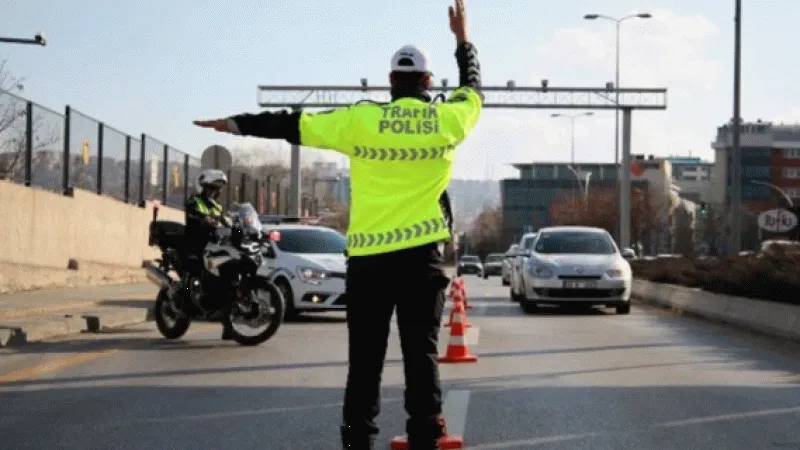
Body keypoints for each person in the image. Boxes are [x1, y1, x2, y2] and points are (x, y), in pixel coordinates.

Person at [193, 1, 481, 447]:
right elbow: (473, 89)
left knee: (365, 360)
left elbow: (292, 124)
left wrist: (236, 124)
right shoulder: (447, 119)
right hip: (421, 259)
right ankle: (425, 431)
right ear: (428, 82)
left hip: (369, 263)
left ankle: (357, 438)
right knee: (420, 353)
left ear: (390, 82)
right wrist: (462, 39)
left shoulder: (361, 120)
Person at [184, 169, 233, 340]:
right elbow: (192, 211)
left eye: (216, 189)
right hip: (195, 245)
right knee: (197, 273)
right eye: (210, 188)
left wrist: (232, 222)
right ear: (202, 187)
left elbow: (224, 220)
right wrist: (203, 218)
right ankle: (190, 300)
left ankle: (228, 326)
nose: (213, 191)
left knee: (226, 282)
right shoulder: (194, 201)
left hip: (213, 246)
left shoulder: (217, 206)